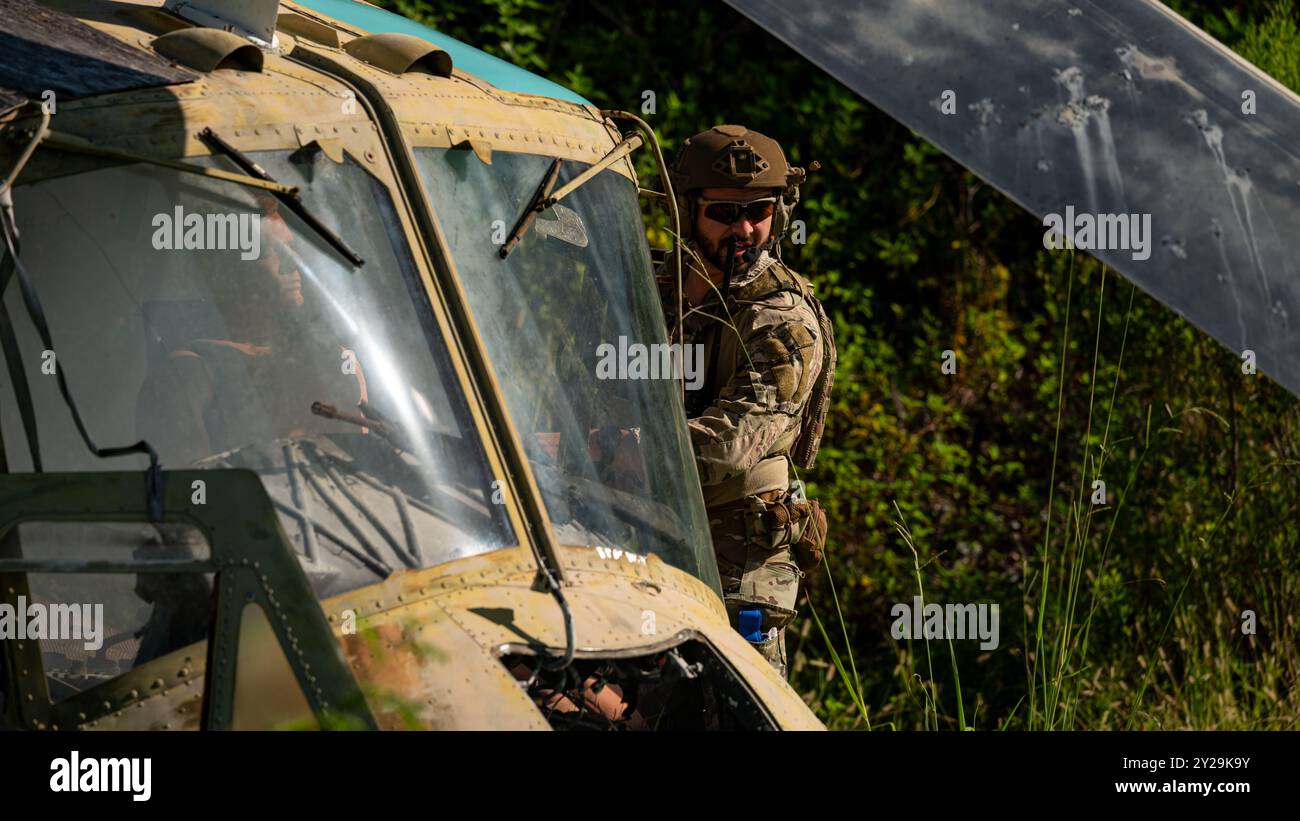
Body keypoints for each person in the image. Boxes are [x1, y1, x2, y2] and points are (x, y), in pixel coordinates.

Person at [658, 124, 835, 678]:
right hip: (637, 535)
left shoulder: (784, 322)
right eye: (724, 213)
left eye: (758, 211)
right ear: (689, 211)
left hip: (733, 559)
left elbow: (727, 449)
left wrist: (609, 449)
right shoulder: (646, 284)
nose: (744, 229)